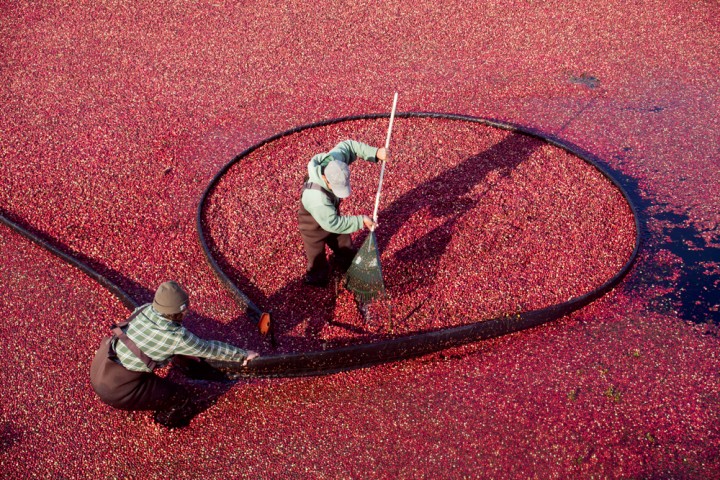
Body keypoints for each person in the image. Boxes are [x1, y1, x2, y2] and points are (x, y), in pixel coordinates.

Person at [90, 281, 259, 428]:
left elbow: (147, 340)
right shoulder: (176, 337)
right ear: (182, 311)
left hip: (101, 365)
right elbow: (209, 349)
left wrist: (184, 352)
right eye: (187, 309)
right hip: (117, 390)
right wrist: (243, 355)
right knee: (180, 398)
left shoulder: (144, 309)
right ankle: (165, 421)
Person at [299, 139, 388, 287]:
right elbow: (333, 223)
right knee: (316, 257)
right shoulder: (316, 198)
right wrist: (360, 221)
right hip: (312, 227)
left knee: (344, 245)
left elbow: (350, 146)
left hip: (331, 215)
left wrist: (376, 153)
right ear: (325, 179)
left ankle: (348, 265)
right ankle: (317, 278)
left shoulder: (334, 162)